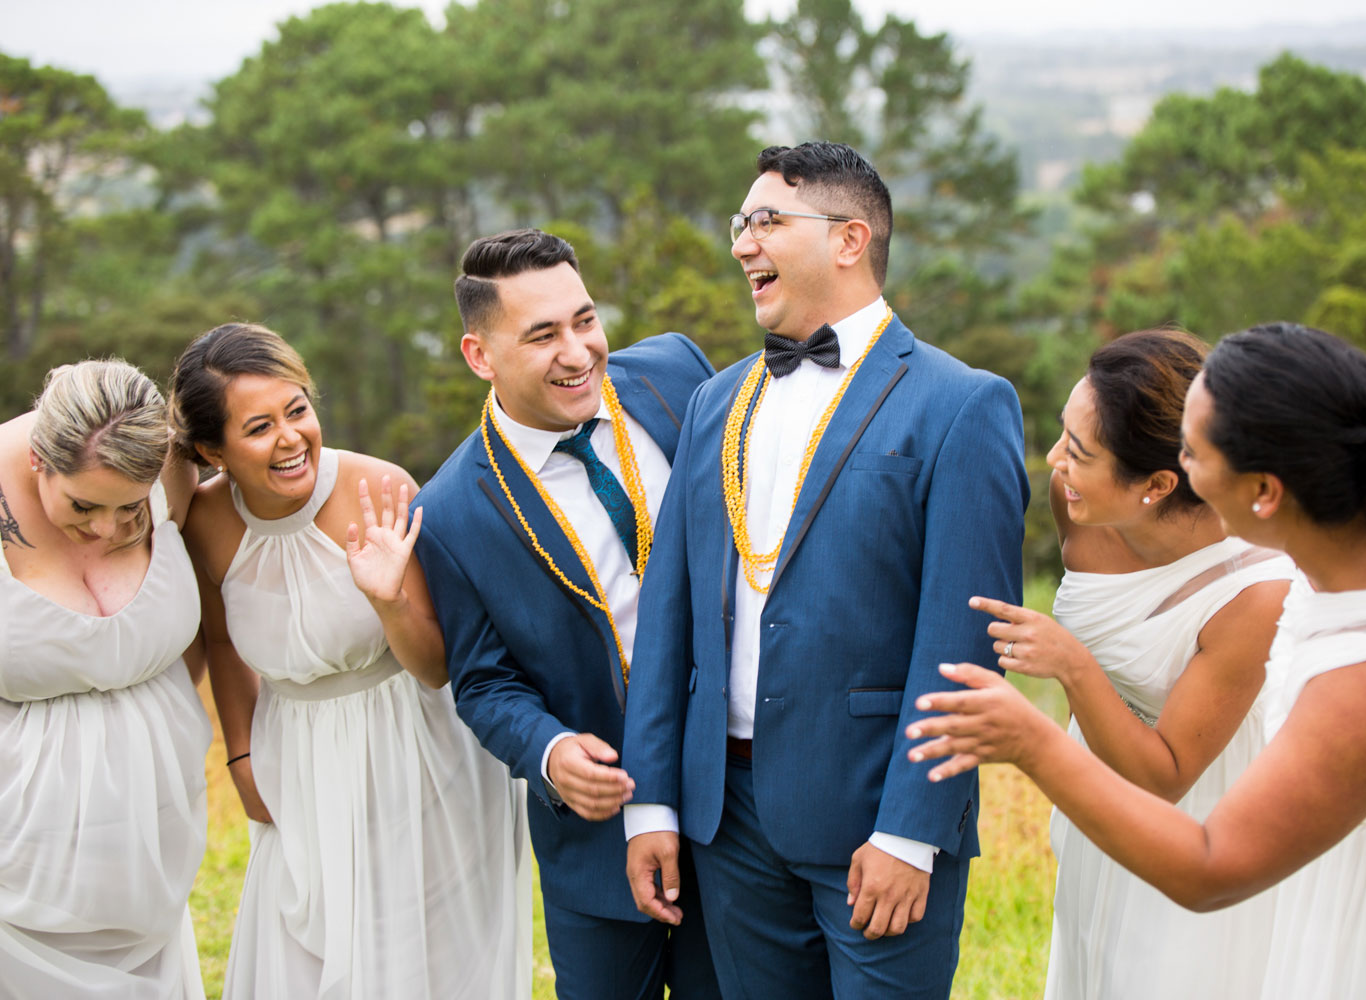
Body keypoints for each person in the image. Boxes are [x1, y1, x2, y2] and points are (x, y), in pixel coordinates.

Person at [908, 322, 1366, 999]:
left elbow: (1211, 867)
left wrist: (1034, 743)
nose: (1180, 477)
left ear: (1264, 493)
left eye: (1191, 454)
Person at [620, 141, 1029, 999]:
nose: (741, 243)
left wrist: (911, 834)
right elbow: (671, 615)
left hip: (873, 818)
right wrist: (651, 804)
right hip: (724, 824)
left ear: (849, 240)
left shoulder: (963, 405)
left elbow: (963, 645)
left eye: (767, 221)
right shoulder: (715, 401)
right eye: (740, 223)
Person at [171, 323, 530, 999]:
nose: (290, 438)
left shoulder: (380, 487)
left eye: (297, 410)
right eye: (259, 427)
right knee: (307, 961)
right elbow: (222, 642)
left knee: (418, 964)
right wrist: (243, 758)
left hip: (416, 753)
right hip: (296, 758)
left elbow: (433, 667)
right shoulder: (208, 522)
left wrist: (389, 598)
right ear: (211, 450)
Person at [412, 229, 720, 1000]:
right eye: (543, 335)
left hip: (736, 813)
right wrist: (549, 754)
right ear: (480, 356)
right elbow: (482, 683)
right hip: (598, 845)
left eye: (584, 320)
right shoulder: (450, 510)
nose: (579, 352)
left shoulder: (678, 374)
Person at [994, 328, 1291, 999]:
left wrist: (1073, 667)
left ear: (1156, 483)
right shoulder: (1077, 507)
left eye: (1076, 451)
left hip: (1197, 818)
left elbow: (1166, 777)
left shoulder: (1256, 590)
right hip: (1100, 797)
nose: (1052, 461)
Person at [0, 359, 211, 998]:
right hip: (17, 873)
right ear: (39, 458)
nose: (104, 529)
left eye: (127, 510)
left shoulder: (170, 469)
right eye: (84, 504)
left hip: (154, 858)